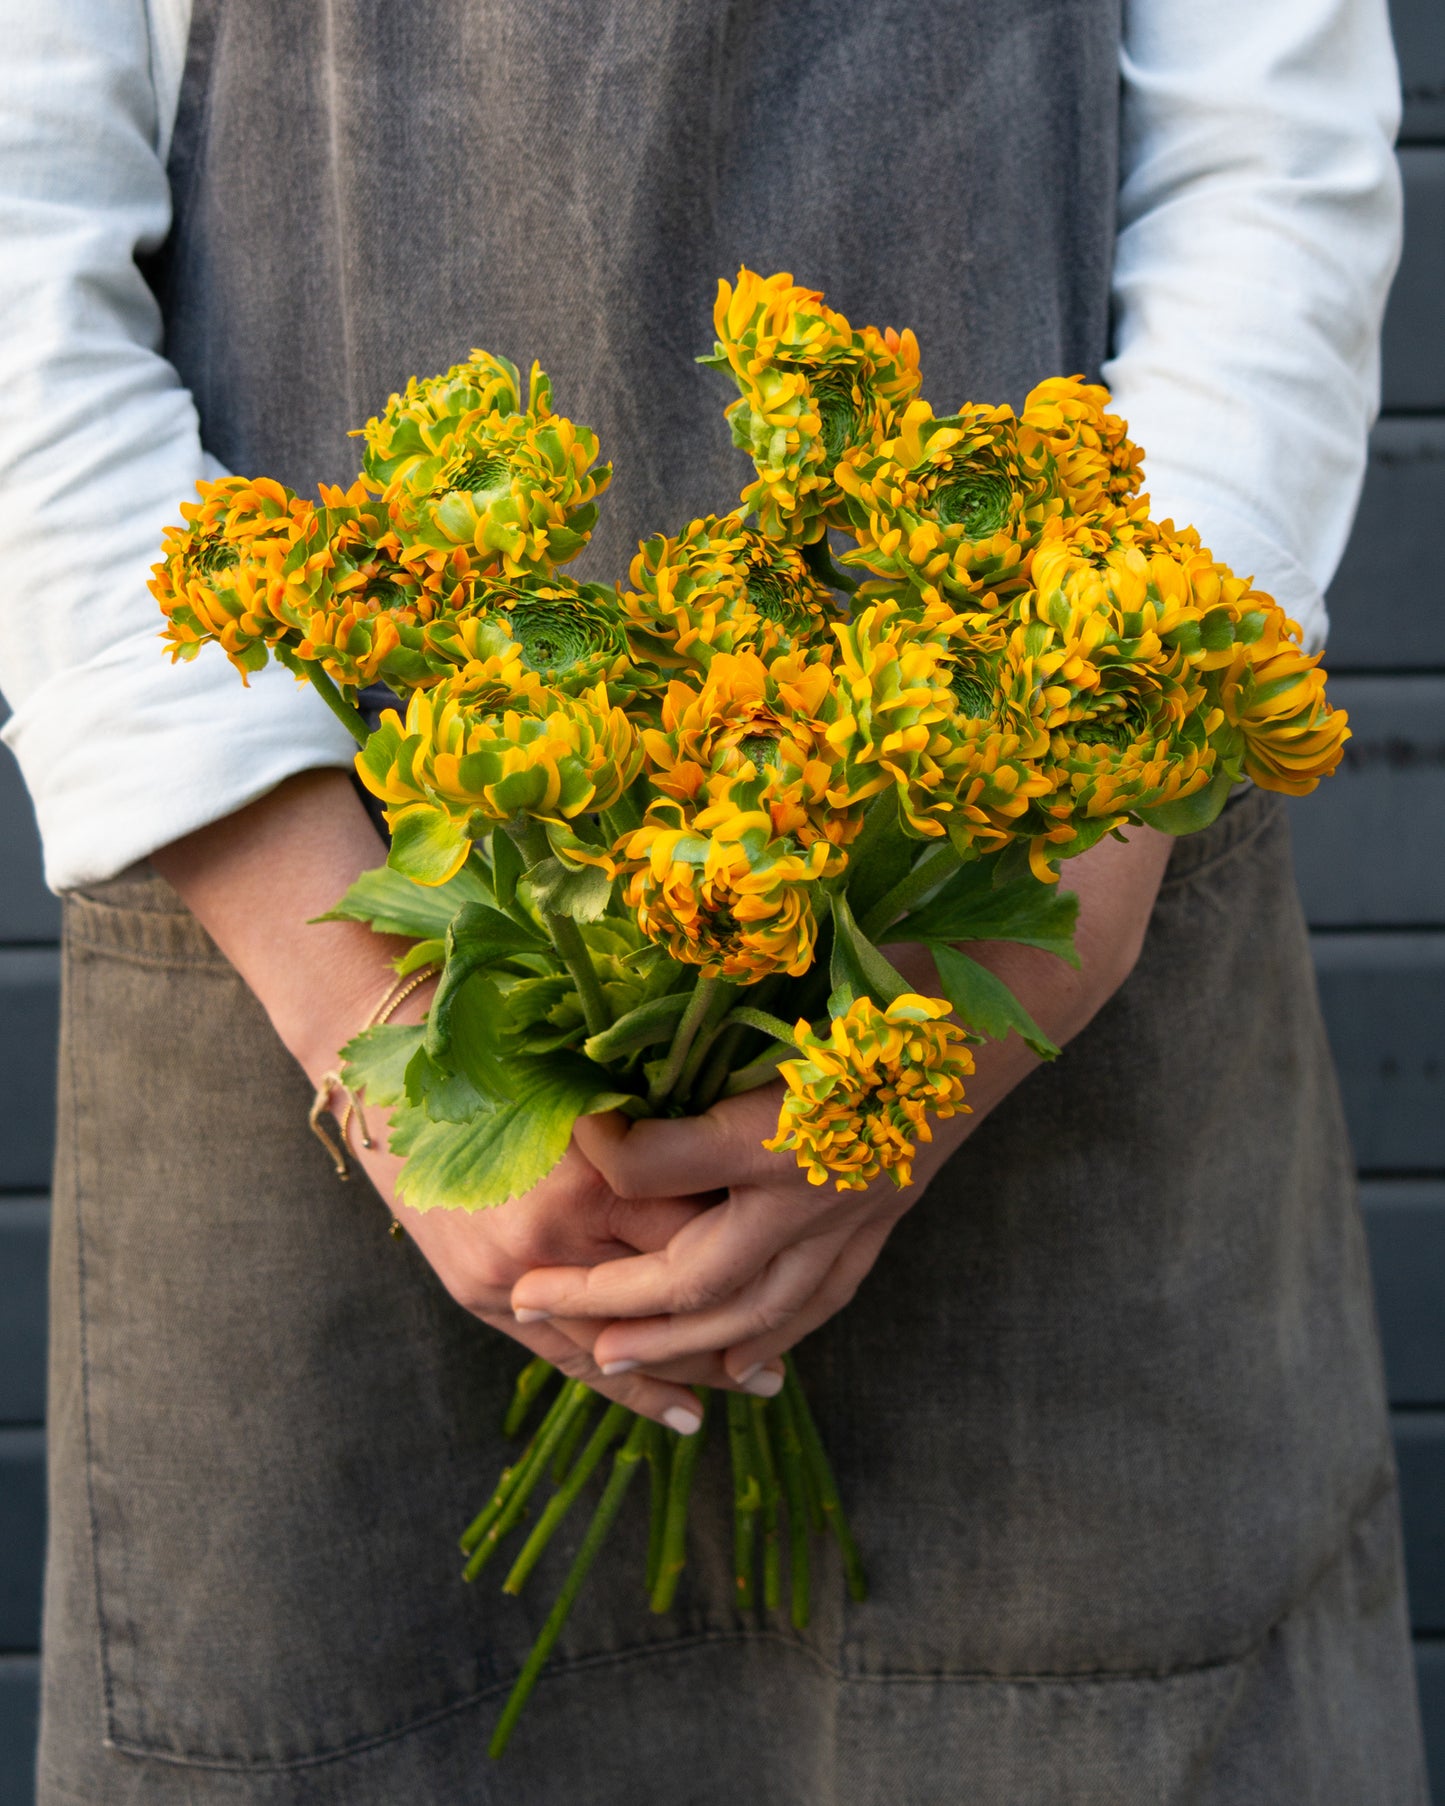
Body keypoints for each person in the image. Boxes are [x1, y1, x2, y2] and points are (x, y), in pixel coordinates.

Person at [0, 1, 1427, 1801]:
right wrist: (383, 1021)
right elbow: (19, 247)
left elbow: (1265, 176)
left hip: (1037, 974)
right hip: (311, 984)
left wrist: (993, 946)